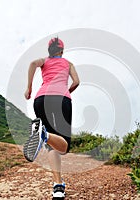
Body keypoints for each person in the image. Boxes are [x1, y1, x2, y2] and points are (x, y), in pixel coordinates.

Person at [24, 37, 79, 198]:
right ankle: (44, 135)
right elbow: (76, 81)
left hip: (41, 99)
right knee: (63, 147)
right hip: (61, 100)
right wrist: (67, 91)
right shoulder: (68, 64)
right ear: (61, 51)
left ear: (49, 51)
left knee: (50, 144)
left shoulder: (44, 61)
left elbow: (33, 64)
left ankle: (58, 186)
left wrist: (29, 87)